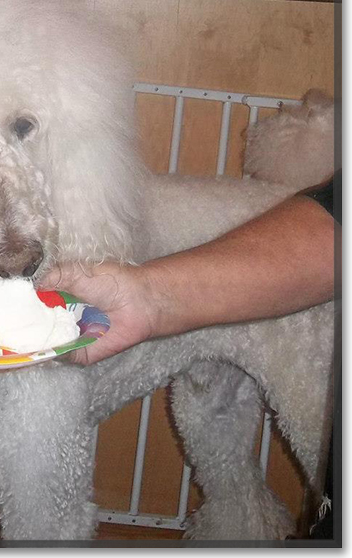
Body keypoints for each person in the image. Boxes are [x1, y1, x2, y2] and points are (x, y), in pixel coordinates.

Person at [41, 172, 340, 541]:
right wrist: (148, 298)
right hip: (300, 238)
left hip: (301, 266)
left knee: (325, 446)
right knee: (213, 430)